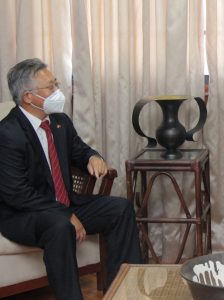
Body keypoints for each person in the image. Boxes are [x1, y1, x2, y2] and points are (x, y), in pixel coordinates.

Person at [0, 58, 142, 299]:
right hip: (24, 214)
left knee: (120, 208)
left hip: (66, 204)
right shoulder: (8, 133)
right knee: (60, 226)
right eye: (50, 87)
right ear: (28, 97)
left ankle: (123, 291)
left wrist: (93, 157)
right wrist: (64, 214)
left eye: (56, 84)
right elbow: (17, 194)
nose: (58, 91)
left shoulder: (59, 122)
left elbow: (79, 150)